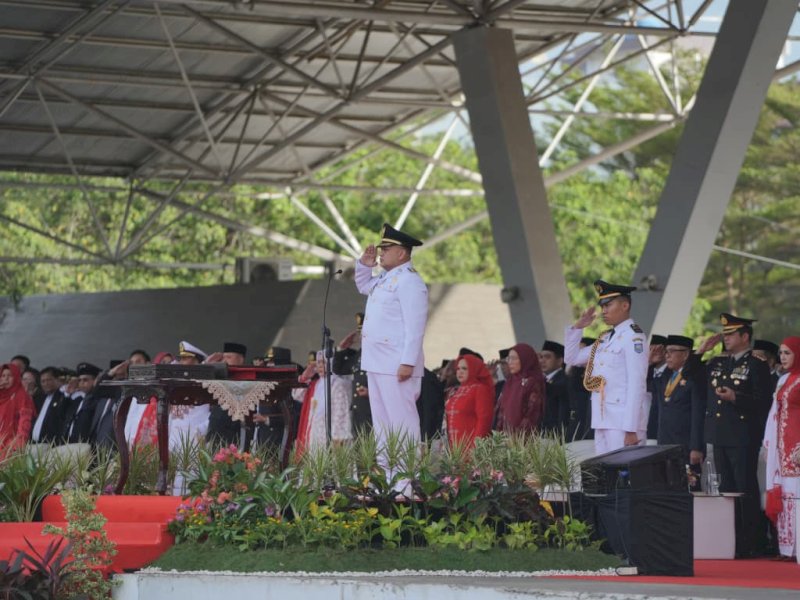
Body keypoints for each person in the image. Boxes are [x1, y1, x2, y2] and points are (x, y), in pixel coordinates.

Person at [693, 313, 773, 557]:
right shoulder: (719, 362)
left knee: (744, 487)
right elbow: (693, 378)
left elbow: (763, 402)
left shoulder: (756, 365)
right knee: (726, 489)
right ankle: (730, 540)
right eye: (724, 335)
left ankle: (751, 542)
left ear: (745, 336)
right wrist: (701, 351)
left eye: (731, 334)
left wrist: (736, 398)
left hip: (743, 435)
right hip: (719, 435)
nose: (726, 338)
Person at [355, 223, 428, 484]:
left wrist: (408, 361)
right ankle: (388, 479)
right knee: (383, 427)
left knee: (402, 424)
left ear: (402, 253)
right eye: (382, 248)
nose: (381, 252)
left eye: (387, 248)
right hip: (377, 362)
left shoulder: (410, 281)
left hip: (396, 363)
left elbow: (415, 326)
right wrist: (364, 264)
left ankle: (407, 480)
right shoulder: (386, 279)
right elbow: (363, 286)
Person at [564, 280, 649, 454]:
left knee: (624, 477)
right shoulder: (604, 338)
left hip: (623, 423)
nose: (604, 310)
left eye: (608, 305)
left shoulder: (633, 337)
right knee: (606, 476)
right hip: (602, 419)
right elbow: (571, 358)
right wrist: (578, 328)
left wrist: (631, 428)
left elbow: (637, 383)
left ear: (625, 305)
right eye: (602, 306)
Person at [763, 336, 800, 560]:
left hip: (796, 447)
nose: (783, 357)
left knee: (797, 495)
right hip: (782, 446)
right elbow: (773, 414)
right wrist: (769, 442)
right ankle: (789, 549)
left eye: (788, 353)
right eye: (782, 353)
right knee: (787, 496)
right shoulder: (784, 379)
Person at [656, 335, 705, 469]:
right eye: (666, 351)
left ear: (685, 354)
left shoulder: (694, 378)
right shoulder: (667, 376)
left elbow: (698, 414)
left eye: (672, 351)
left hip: (686, 445)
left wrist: (696, 447)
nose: (667, 355)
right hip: (665, 443)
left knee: (689, 485)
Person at [445, 354, 494, 449]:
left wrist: (476, 447)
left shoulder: (480, 389)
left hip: (470, 448)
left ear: (473, 369)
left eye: (464, 368)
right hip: (454, 447)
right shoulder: (458, 390)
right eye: (458, 369)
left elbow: (484, 420)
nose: (460, 372)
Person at [494, 343, 545, 433]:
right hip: (505, 439)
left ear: (525, 359)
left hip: (523, 440)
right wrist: (499, 437)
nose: (510, 362)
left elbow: (532, 414)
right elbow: (502, 412)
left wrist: (518, 438)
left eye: (514, 358)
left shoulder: (532, 382)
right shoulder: (510, 382)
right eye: (508, 358)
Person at [206, 342, 248, 446]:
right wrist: (208, 363)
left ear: (241, 359)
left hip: (235, 433)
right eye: (223, 357)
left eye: (229, 357)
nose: (225, 361)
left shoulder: (249, 379)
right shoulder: (218, 376)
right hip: (215, 431)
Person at [0, 363, 35, 453]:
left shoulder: (22, 395)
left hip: (11, 444)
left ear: (16, 377)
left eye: (10, 375)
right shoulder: (2, 395)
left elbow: (25, 422)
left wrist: (19, 444)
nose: (5, 379)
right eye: (3, 376)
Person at [64, 362, 101, 444]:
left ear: (95, 381)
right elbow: (61, 414)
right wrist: (68, 394)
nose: (81, 383)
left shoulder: (97, 400)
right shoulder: (78, 400)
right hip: (69, 443)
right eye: (79, 380)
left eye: (85, 380)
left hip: (85, 445)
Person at [30, 366, 69, 445]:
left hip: (52, 445)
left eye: (49, 380)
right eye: (43, 381)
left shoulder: (63, 397)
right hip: (35, 444)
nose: (45, 384)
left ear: (58, 380)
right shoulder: (40, 399)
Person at [566, 337, 594, 441]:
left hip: (588, 419)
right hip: (574, 420)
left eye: (582, 351)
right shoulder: (574, 374)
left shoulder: (597, 374)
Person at [540, 340, 569, 434]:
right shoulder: (544, 379)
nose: (542, 360)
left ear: (560, 360)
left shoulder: (564, 380)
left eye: (547, 357)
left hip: (555, 435)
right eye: (541, 357)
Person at [646, 334, 668, 440]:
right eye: (650, 350)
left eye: (657, 349)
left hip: (662, 426)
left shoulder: (671, 373)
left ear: (665, 352)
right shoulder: (647, 370)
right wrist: (648, 361)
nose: (652, 353)